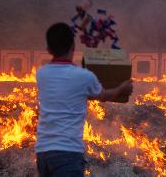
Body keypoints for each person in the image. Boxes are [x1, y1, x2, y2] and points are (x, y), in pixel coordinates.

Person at [35, 22, 133, 177]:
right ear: (73, 46)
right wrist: (122, 88)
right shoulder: (84, 77)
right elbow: (103, 96)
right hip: (68, 153)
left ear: (48, 49)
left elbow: (68, 90)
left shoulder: (41, 74)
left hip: (43, 152)